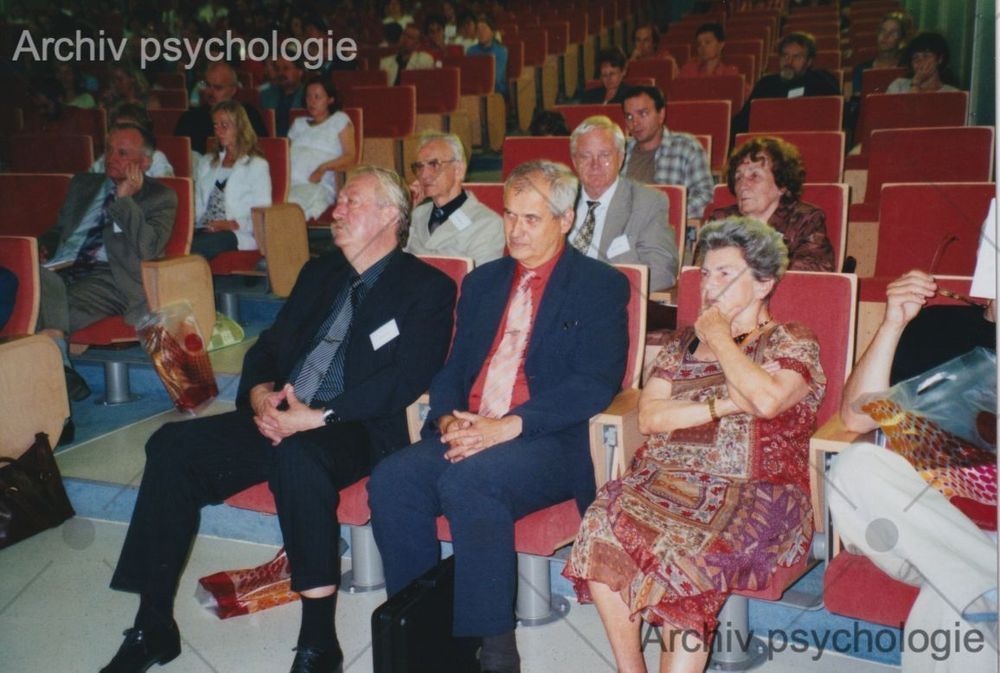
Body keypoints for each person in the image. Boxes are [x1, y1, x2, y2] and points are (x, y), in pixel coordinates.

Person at [99, 166, 457, 673]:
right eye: (340, 201)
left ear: (389, 215)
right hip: (283, 414)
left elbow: (406, 378)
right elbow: (269, 347)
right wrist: (260, 395)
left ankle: (318, 642)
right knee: (171, 446)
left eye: (352, 202)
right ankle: (153, 622)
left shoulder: (426, 287)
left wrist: (319, 416)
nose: (337, 211)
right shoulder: (320, 274)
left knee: (299, 456)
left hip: (355, 426)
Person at [369, 159, 630, 673]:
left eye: (531, 218)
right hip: (472, 428)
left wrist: (508, 426)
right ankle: (421, 634)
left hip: (548, 439)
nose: (515, 229)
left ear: (566, 220)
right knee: (393, 480)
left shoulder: (599, 285)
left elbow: (595, 383)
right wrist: (448, 420)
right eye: (510, 215)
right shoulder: (484, 282)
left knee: (470, 482)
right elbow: (454, 367)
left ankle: (495, 649)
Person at [564, 217, 825, 673]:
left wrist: (721, 336)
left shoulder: (791, 340)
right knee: (601, 520)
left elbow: (767, 401)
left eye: (725, 273)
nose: (709, 285)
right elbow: (650, 417)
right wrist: (727, 403)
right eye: (705, 273)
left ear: (763, 284)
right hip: (663, 479)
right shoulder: (681, 344)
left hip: (755, 490)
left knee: (685, 549)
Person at [829, 264, 997, 673]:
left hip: (971, 538)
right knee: (853, 466)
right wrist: (893, 324)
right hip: (924, 523)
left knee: (958, 599)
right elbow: (855, 419)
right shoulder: (936, 323)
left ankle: (983, 583)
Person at [37, 123, 178, 399]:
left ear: (145, 162)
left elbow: (148, 249)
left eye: (122, 153)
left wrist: (124, 201)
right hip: (60, 267)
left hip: (110, 277)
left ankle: (54, 380)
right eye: (108, 150)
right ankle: (61, 367)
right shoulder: (83, 184)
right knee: (33, 287)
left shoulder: (160, 196)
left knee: (39, 308)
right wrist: (45, 245)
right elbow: (60, 229)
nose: (111, 158)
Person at [569, 115, 678, 291]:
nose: (595, 165)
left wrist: (596, 289)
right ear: (574, 161)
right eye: (585, 156)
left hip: (608, 299)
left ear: (620, 157)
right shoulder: (558, 199)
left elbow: (661, 273)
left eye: (604, 155)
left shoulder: (648, 203)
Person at [708, 136, 835, 272]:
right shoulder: (721, 220)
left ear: (782, 185)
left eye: (754, 176)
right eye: (738, 178)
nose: (742, 186)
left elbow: (810, 271)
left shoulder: (805, 220)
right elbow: (701, 270)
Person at [405, 132, 504, 266]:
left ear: (459, 170)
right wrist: (403, 210)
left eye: (434, 164)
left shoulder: (488, 224)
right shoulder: (415, 214)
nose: (424, 175)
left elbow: (482, 277)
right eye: (419, 167)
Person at [192, 100, 272, 260]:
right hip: (204, 226)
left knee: (198, 246)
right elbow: (197, 203)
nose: (218, 131)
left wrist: (232, 224)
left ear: (239, 127)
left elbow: (262, 213)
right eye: (216, 126)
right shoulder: (207, 162)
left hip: (237, 232)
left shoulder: (256, 165)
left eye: (224, 125)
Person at [621, 85, 713, 219]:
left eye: (643, 113)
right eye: (629, 117)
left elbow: (706, 197)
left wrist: (669, 213)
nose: (635, 123)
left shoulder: (686, 148)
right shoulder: (619, 150)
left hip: (668, 226)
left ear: (661, 115)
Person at [731, 32, 839, 134]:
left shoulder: (821, 81)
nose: (789, 62)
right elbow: (743, 121)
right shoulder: (766, 84)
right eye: (785, 56)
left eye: (797, 57)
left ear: (809, 61)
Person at [288, 77, 356, 220]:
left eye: (317, 97)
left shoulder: (339, 119)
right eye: (308, 96)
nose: (312, 101)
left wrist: (323, 168)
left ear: (330, 100)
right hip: (289, 184)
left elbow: (350, 156)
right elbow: (284, 157)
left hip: (316, 186)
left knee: (289, 210)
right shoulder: (298, 124)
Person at [174, 61, 268, 155]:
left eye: (218, 88)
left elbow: (261, 150)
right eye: (207, 85)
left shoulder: (249, 115)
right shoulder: (189, 118)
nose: (210, 92)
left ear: (233, 90)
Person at [90, 103, 174, 178]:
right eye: (118, 129)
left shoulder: (156, 158)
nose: (121, 135)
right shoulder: (107, 157)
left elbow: (166, 188)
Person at [887, 31, 959, 94]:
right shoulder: (898, 86)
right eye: (915, 58)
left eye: (926, 56)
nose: (920, 61)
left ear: (940, 59)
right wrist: (915, 84)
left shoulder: (952, 93)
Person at [466, 15, 508, 95]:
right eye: (478, 30)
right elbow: (468, 76)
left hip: (496, 92)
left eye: (484, 29)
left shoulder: (501, 51)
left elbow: (496, 78)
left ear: (492, 32)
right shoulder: (471, 51)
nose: (481, 32)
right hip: (476, 91)